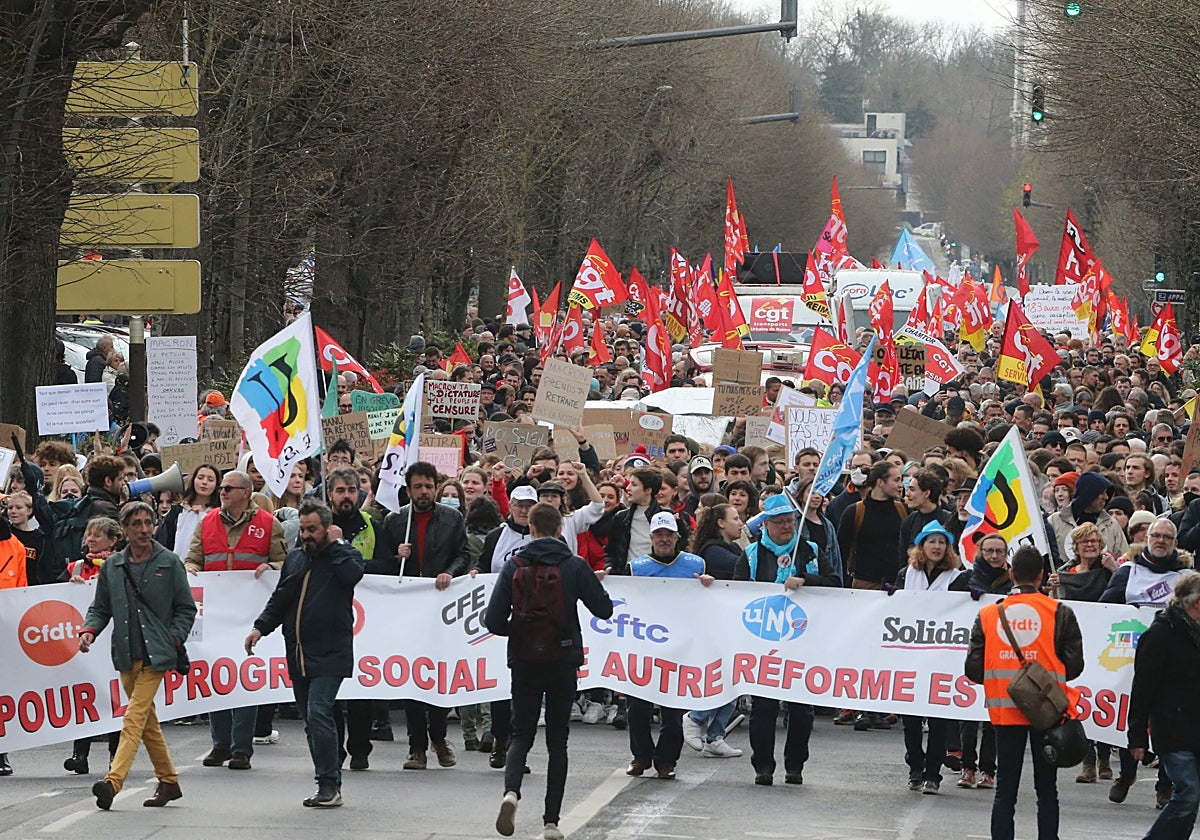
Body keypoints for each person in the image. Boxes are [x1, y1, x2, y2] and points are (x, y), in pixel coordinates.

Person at [486, 503, 613, 840]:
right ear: (560, 530)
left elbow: (492, 620)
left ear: (531, 529)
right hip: (563, 659)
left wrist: (521, 629)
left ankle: (511, 792)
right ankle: (551, 822)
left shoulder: (514, 564)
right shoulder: (573, 565)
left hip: (524, 660)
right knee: (558, 742)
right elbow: (604, 609)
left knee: (521, 734)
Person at [245, 499, 365, 807]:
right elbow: (281, 597)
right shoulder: (296, 557)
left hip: (331, 652)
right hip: (297, 651)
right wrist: (260, 627)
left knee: (318, 711)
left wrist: (336, 545)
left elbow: (353, 574)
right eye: (303, 529)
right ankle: (328, 773)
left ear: (327, 528)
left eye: (313, 529)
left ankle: (329, 784)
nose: (307, 535)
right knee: (312, 721)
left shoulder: (343, 554)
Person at [78, 501, 197, 810]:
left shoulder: (169, 562)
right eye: (138, 524)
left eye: (149, 522)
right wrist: (89, 630)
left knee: (133, 717)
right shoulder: (114, 566)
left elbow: (186, 608)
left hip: (157, 653)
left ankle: (112, 782)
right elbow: (100, 607)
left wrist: (173, 638)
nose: (145, 529)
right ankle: (169, 781)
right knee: (146, 722)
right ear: (125, 530)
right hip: (126, 651)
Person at [964, 545, 1085, 840]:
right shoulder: (1060, 612)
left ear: (1011, 573)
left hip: (1005, 710)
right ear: (1042, 575)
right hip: (1046, 710)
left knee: (1005, 790)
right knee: (1047, 789)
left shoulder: (988, 615)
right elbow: (1074, 665)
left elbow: (973, 669)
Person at [735, 494, 839, 786]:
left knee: (801, 708)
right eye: (779, 522)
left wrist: (806, 579)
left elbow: (835, 583)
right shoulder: (752, 554)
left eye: (790, 521)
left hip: (803, 639)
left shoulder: (811, 550)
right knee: (764, 707)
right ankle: (763, 765)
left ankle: (795, 765)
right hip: (762, 639)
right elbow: (736, 593)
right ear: (766, 524)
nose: (785, 527)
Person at [186, 469, 287, 771]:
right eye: (222, 488)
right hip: (215, 611)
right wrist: (190, 569)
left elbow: (286, 562)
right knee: (217, 674)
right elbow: (194, 557)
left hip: (249, 612)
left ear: (245, 492)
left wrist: (271, 565)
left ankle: (241, 749)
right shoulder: (207, 522)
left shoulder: (269, 524)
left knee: (244, 678)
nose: (223, 492)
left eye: (229, 488)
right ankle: (220, 745)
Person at [381, 461, 470, 771]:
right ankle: (416, 746)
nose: (423, 492)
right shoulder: (395, 521)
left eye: (428, 486)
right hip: (408, 610)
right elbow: (381, 565)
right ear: (408, 490)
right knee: (413, 677)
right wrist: (397, 557)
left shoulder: (452, 518)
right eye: (417, 486)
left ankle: (439, 737)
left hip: (440, 606)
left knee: (438, 674)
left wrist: (449, 572)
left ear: (436, 487)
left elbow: (463, 553)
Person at [1100, 517, 1189, 806]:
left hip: (1174, 660)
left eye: (1167, 536)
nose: (1161, 540)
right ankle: (1126, 774)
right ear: (1146, 539)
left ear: (1175, 543)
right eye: (1156, 535)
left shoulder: (1185, 577)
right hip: (1129, 656)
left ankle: (1165, 785)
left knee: (1169, 721)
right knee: (1131, 713)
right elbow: (1103, 607)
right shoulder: (1128, 572)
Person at [623, 511, 712, 780]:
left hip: (679, 647)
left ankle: (666, 760)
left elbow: (708, 601)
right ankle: (641, 756)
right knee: (637, 708)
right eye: (659, 535)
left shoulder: (695, 564)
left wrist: (709, 585)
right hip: (644, 645)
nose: (664, 540)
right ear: (650, 538)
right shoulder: (636, 567)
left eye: (669, 535)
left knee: (672, 711)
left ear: (677, 537)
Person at [893, 521, 970, 794]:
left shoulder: (957, 577)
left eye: (941, 542)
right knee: (911, 719)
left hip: (942, 656)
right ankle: (915, 765)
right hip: (910, 655)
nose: (937, 547)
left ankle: (933, 773)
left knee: (939, 717)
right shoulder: (906, 574)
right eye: (931, 541)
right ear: (921, 546)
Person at [1128, 571, 1200, 840]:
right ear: (1197, 603)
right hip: (1172, 728)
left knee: (1191, 800)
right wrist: (1136, 736)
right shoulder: (1160, 634)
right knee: (1188, 793)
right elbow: (1143, 687)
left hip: (1195, 727)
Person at [62, 517, 124, 775]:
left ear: (113, 540)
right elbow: (52, 595)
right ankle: (80, 754)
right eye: (89, 534)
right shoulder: (76, 567)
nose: (91, 539)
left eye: (98, 535)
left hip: (114, 642)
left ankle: (115, 757)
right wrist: (71, 587)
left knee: (115, 699)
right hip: (85, 644)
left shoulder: (122, 566)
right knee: (84, 696)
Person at [682, 502, 744, 758]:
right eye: (736, 518)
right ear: (720, 523)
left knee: (736, 678)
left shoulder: (730, 548)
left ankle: (715, 736)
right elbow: (745, 566)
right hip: (717, 626)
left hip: (732, 624)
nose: (740, 523)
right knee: (724, 677)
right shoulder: (715, 552)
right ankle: (696, 717)